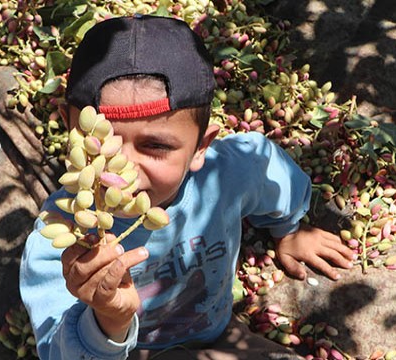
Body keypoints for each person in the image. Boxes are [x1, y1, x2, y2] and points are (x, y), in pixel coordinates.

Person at [20, 14, 355, 360]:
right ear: (67, 126)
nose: (122, 170)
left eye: (156, 146)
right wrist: (109, 321)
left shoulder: (225, 174)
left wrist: (289, 230)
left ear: (200, 147)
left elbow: (264, 162)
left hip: (220, 332)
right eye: (99, 142)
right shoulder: (61, 240)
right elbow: (59, 353)